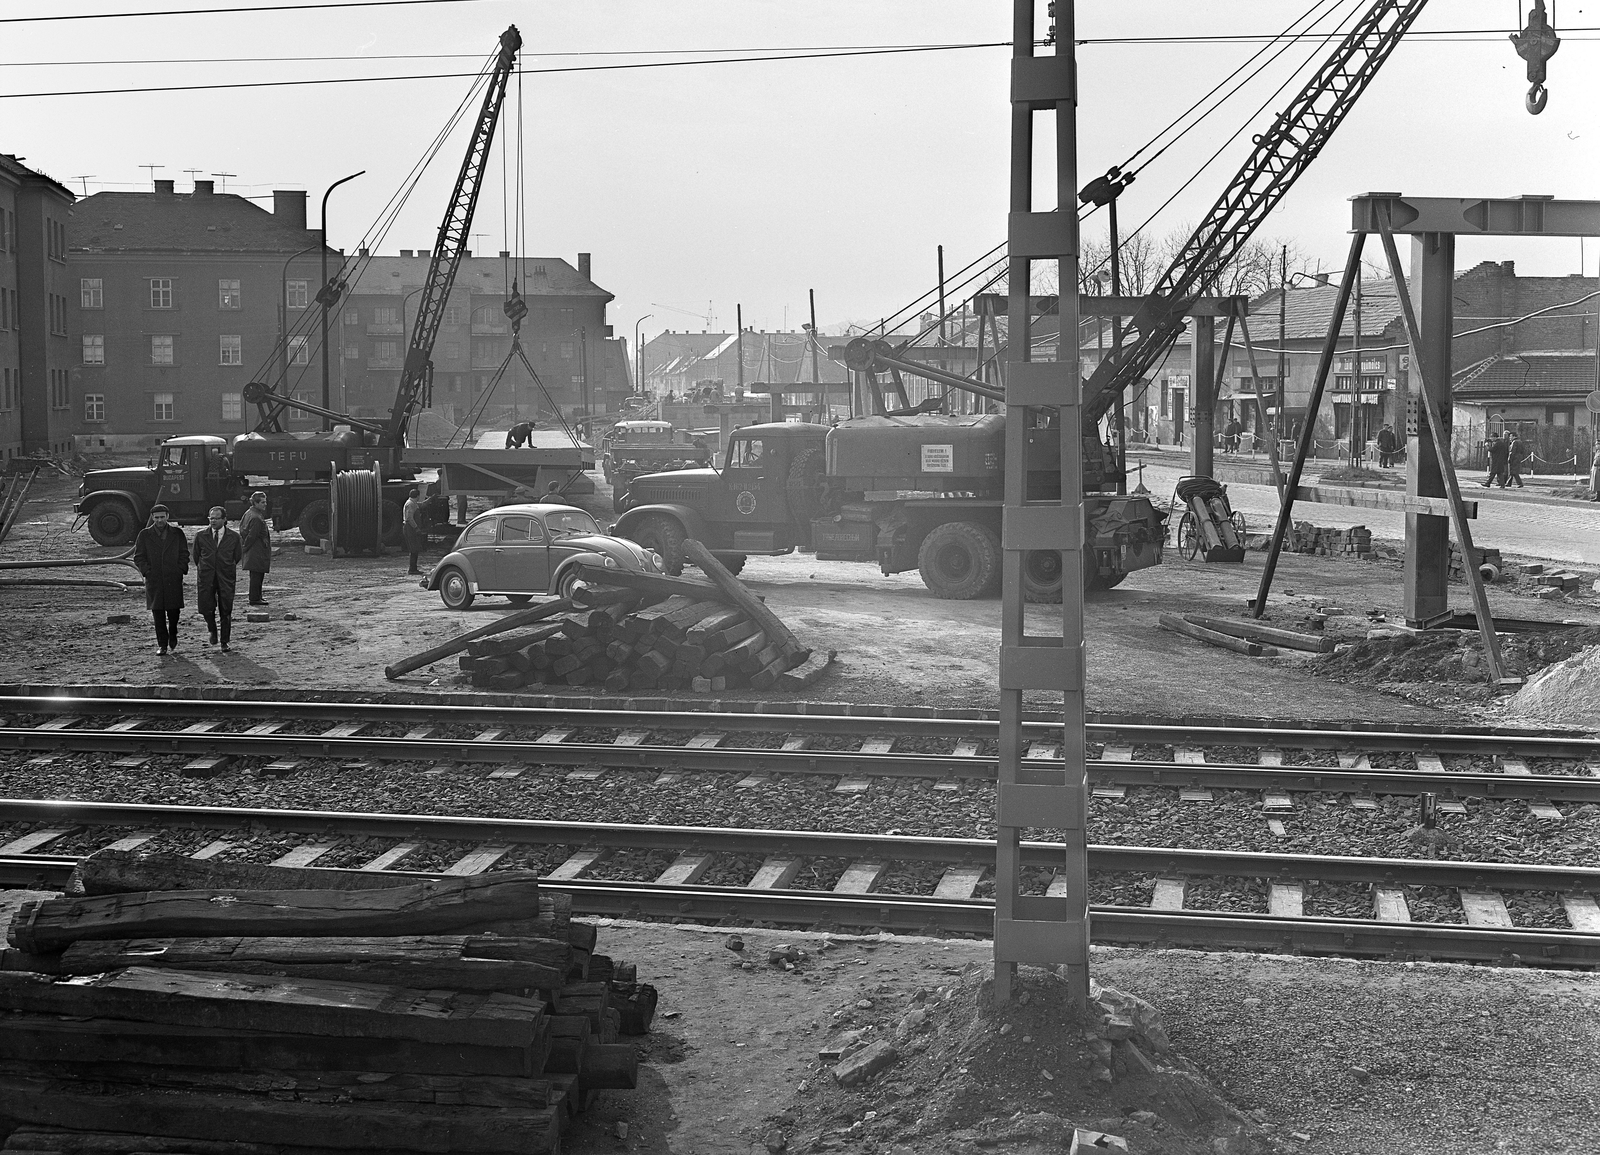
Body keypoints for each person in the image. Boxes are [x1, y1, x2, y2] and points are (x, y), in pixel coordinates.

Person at [133, 504, 188, 656]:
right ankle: (162, 645)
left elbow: (184, 553)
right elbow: (138, 557)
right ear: (152, 518)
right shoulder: (144, 535)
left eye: (162, 517)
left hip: (173, 578)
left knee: (174, 612)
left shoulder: (177, 533)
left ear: (167, 516)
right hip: (155, 580)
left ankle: (173, 634)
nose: (159, 520)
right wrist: (147, 572)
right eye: (156, 518)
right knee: (158, 614)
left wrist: (179, 570)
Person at [192, 505, 242, 652]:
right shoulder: (201, 536)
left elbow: (237, 556)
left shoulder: (234, 537)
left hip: (225, 577)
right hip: (206, 577)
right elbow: (196, 557)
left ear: (224, 519)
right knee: (206, 608)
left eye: (216, 518)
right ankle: (212, 629)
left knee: (226, 609)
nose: (213, 521)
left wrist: (225, 566)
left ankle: (224, 641)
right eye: (211, 518)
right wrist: (206, 568)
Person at [239, 491, 272, 605]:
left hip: (254, 549)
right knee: (257, 575)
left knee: (257, 574)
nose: (265, 504)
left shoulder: (249, 513)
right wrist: (245, 548)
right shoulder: (256, 517)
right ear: (256, 503)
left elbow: (243, 530)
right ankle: (254, 598)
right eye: (262, 502)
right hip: (257, 550)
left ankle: (257, 596)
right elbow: (252, 536)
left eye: (265, 501)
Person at [403, 485, 428, 575]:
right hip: (410, 528)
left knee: (415, 548)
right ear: (417, 496)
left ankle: (414, 568)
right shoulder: (410, 504)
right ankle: (412, 569)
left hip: (411, 528)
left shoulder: (412, 503)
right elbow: (409, 518)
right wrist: (416, 528)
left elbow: (420, 505)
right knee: (413, 548)